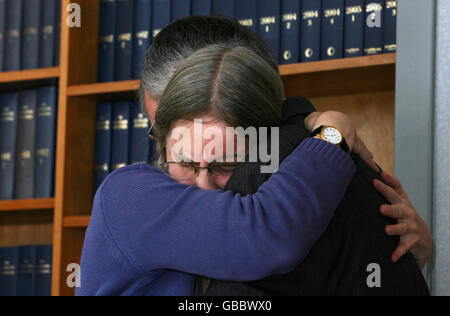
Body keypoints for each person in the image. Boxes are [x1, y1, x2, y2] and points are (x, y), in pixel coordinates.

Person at [140, 15, 431, 273]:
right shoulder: (132, 196)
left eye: (224, 159)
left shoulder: (285, 159)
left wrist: (410, 262)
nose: (201, 185)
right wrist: (334, 130)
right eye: (165, 134)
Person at [77, 46, 359, 296]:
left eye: (225, 165)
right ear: (161, 145)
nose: (203, 185)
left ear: (268, 152)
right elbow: (267, 235)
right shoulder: (126, 196)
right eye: (186, 163)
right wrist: (334, 131)